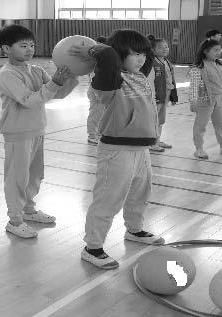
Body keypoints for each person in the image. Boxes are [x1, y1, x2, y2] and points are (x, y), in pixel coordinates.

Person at [69, 29, 165, 270]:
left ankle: (134, 229)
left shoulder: (140, 77)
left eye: (143, 54)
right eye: (134, 54)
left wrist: (143, 50)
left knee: (140, 193)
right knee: (108, 199)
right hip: (116, 150)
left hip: (141, 149)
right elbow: (109, 57)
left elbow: (147, 57)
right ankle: (92, 247)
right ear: (119, 55)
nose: (141, 59)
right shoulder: (109, 83)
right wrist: (95, 50)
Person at [0, 24, 79, 238]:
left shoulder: (36, 70)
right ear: (6, 49)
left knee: (34, 175)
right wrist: (55, 83)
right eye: (23, 45)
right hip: (18, 132)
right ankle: (14, 220)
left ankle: (29, 210)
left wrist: (72, 76)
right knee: (17, 177)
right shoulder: (7, 74)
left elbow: (56, 94)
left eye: (32, 45)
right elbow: (30, 100)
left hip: (37, 129)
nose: (30, 49)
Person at [188, 39, 222, 160]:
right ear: (206, 51)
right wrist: (193, 101)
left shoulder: (219, 63)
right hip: (205, 100)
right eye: (215, 50)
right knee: (200, 125)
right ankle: (199, 149)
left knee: (221, 123)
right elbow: (194, 86)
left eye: (219, 49)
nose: (219, 52)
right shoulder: (198, 67)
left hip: (219, 99)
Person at [150, 37, 178, 152]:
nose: (164, 49)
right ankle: (152, 142)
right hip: (156, 96)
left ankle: (157, 139)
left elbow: (171, 80)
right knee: (154, 120)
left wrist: (173, 96)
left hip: (165, 95)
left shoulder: (167, 62)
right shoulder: (152, 62)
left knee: (161, 120)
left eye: (166, 46)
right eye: (160, 47)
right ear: (153, 49)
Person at [87, 35, 108, 145]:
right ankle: (92, 135)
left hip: (103, 90)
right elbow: (92, 77)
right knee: (95, 113)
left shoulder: (104, 60)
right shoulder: (94, 61)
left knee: (103, 113)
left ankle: (99, 133)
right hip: (95, 90)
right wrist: (96, 93)